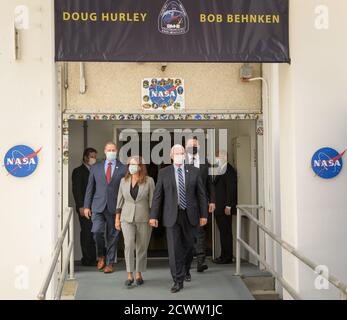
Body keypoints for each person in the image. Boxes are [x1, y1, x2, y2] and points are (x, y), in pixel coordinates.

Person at [150, 145, 208, 293]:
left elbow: (201, 195)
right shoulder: (164, 173)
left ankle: (186, 268)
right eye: (176, 153)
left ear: (184, 155)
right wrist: (153, 215)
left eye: (181, 153)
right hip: (171, 216)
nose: (179, 155)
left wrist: (204, 215)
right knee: (175, 249)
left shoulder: (194, 171)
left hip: (191, 215)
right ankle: (178, 280)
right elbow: (158, 196)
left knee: (189, 247)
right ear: (171, 155)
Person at [83, 142, 127, 274]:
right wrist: (86, 206)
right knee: (96, 232)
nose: (111, 152)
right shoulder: (95, 168)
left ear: (117, 151)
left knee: (113, 236)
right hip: (98, 206)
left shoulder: (123, 168)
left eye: (113, 150)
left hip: (115, 207)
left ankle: (109, 263)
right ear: (105, 151)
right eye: (109, 150)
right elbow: (90, 188)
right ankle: (101, 255)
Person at [115, 156, 155, 287]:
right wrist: (117, 219)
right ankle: (129, 274)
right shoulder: (123, 181)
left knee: (141, 246)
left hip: (144, 218)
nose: (131, 167)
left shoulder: (149, 181)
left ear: (140, 166)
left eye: (134, 164)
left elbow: (152, 201)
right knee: (129, 244)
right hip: (126, 218)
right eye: (130, 164)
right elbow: (119, 201)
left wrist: (153, 217)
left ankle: (138, 273)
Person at [185, 137, 216, 277]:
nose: (193, 147)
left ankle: (201, 262)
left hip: (201, 202)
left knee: (200, 232)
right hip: (185, 202)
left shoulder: (205, 162)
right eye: (190, 145)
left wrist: (212, 201)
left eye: (195, 145)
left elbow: (210, 183)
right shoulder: (181, 161)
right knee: (186, 233)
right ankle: (187, 261)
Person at [72, 148, 98, 266]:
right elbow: (77, 191)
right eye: (92, 156)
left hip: (96, 207)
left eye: (95, 157)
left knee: (94, 233)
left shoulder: (96, 171)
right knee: (87, 232)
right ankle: (87, 259)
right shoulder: (78, 171)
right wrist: (80, 206)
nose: (94, 159)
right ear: (85, 157)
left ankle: (93, 257)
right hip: (84, 208)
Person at [212, 150, 237, 264]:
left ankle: (227, 257)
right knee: (223, 232)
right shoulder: (221, 169)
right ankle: (224, 255)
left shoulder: (229, 170)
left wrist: (228, 206)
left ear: (225, 157)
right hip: (219, 208)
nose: (217, 158)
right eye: (217, 156)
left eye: (219, 156)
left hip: (224, 208)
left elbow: (231, 189)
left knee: (226, 232)